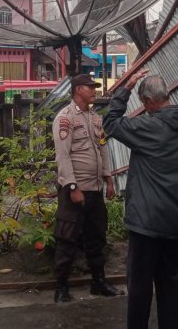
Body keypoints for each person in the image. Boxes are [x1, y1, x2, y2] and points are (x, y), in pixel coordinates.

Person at [102, 70, 178, 329]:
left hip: (146, 223)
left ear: (148, 101)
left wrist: (125, 89)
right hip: (177, 222)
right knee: (171, 287)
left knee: (139, 288)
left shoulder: (149, 126)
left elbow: (111, 123)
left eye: (144, 104)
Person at [52, 73, 122, 303]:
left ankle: (98, 283)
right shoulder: (65, 118)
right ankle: (61, 288)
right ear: (78, 90)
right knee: (67, 238)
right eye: (90, 87)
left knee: (96, 237)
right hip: (75, 188)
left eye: (94, 87)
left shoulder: (95, 119)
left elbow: (103, 149)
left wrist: (108, 178)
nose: (94, 91)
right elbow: (63, 156)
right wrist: (72, 187)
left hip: (94, 188)